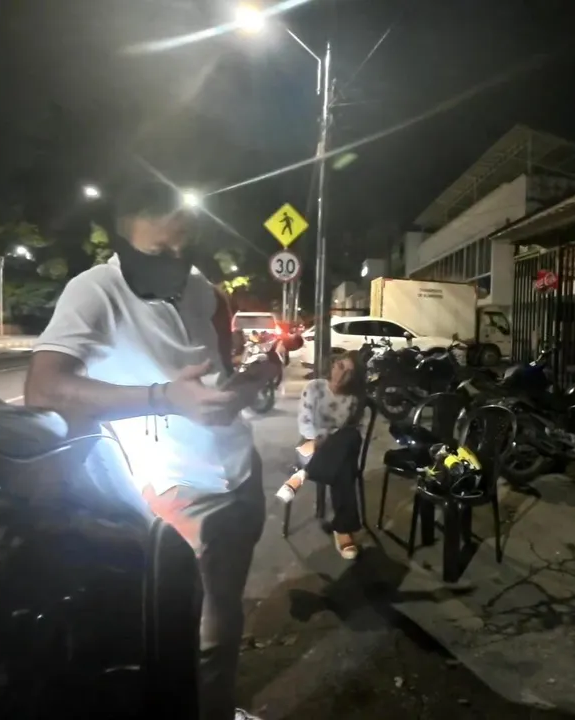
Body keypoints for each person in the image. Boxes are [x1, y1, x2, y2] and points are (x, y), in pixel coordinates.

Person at [23, 181, 278, 720]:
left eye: (184, 249)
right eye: (160, 250)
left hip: (239, 472)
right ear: (124, 237)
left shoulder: (202, 289)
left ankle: (217, 709)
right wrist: (164, 397)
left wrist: (250, 381)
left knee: (223, 615)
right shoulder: (95, 291)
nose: (175, 262)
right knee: (177, 637)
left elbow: (217, 373)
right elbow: (43, 390)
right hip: (174, 491)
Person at [276, 350, 365, 560]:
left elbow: (351, 431)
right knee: (345, 466)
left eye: (349, 373)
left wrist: (327, 440)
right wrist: (321, 441)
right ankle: (343, 530)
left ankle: (301, 476)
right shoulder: (314, 388)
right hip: (309, 447)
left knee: (351, 437)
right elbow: (305, 426)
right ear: (333, 365)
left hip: (330, 453)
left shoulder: (353, 399)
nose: (342, 374)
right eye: (340, 367)